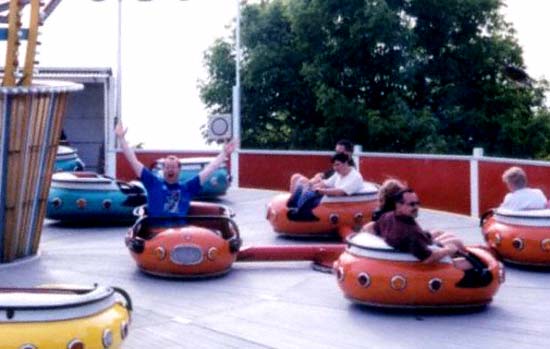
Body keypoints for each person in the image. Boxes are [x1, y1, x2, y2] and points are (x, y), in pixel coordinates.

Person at [363, 189, 492, 287]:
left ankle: (462, 253)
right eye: (411, 204)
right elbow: (428, 258)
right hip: (419, 258)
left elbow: (373, 228)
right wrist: (448, 250)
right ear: (399, 205)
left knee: (445, 235)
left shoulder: (388, 217)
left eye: (417, 203)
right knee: (457, 245)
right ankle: (474, 270)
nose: (416, 207)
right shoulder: (409, 232)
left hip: (411, 247)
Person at [115, 121, 237, 219]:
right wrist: (121, 139)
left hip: (179, 235)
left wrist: (224, 153)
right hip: (155, 235)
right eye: (167, 167)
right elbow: (133, 161)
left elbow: (209, 169)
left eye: (173, 167)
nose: (170, 170)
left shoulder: (187, 188)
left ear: (179, 170)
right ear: (163, 170)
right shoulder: (153, 183)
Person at [287, 153, 364, 220]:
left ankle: (300, 213)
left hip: (342, 203)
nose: (335, 168)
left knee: (310, 194)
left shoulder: (355, 177)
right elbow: (326, 183)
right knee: (303, 187)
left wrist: (320, 190)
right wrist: (311, 185)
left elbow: (340, 192)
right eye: (334, 165)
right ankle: (292, 207)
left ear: (346, 163)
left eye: (337, 165)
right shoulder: (338, 174)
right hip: (332, 198)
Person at [289, 139, 355, 193]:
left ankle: (292, 203)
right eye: (336, 152)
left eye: (339, 152)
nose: (336, 154)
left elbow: (335, 185)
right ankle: (292, 202)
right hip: (321, 184)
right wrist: (319, 176)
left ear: (348, 153)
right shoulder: (339, 162)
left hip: (325, 190)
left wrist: (316, 184)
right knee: (296, 177)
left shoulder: (347, 168)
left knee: (300, 180)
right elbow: (327, 175)